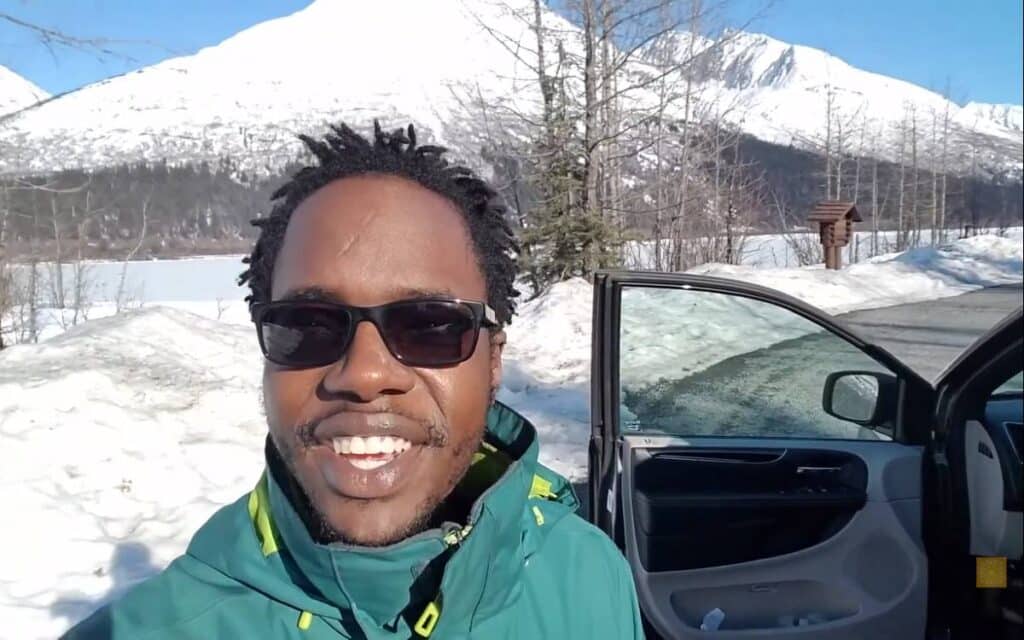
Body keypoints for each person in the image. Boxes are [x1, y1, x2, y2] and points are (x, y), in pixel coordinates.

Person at [63, 121, 644, 639]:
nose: (365, 374)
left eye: (431, 325)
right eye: (309, 326)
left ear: (493, 361)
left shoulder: (589, 576)